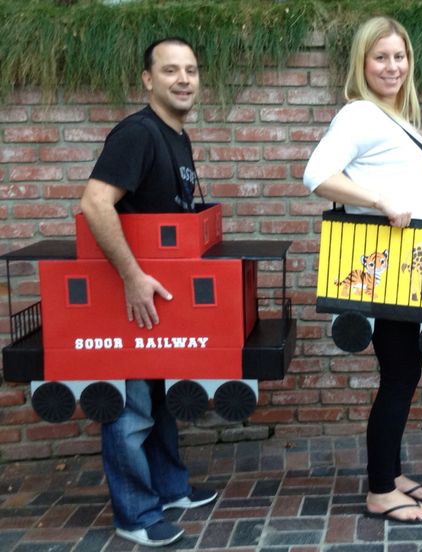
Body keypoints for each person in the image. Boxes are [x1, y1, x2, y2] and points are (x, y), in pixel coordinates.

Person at [303, 16, 422, 523]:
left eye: (399, 57)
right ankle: (379, 490)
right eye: (380, 57)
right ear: (362, 63)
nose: (392, 66)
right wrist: (378, 199)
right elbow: (316, 175)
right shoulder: (359, 116)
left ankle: (390, 472)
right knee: (398, 374)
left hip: (409, 271)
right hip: (391, 270)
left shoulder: (392, 117)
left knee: (403, 370)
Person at [79, 37, 216, 547]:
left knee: (158, 399)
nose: (183, 79)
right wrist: (133, 277)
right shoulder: (136, 134)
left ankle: (169, 488)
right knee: (131, 406)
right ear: (147, 80)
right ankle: (134, 514)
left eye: (191, 71)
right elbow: (96, 203)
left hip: (159, 300)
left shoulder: (176, 135)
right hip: (130, 298)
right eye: (170, 70)